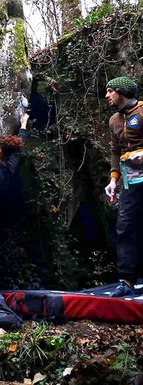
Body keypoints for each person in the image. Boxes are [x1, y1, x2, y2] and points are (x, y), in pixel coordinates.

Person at [105, 76, 143, 298]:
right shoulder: (114, 120)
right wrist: (113, 179)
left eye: (110, 91)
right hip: (131, 179)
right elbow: (114, 151)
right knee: (125, 225)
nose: (107, 96)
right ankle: (127, 280)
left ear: (121, 91)